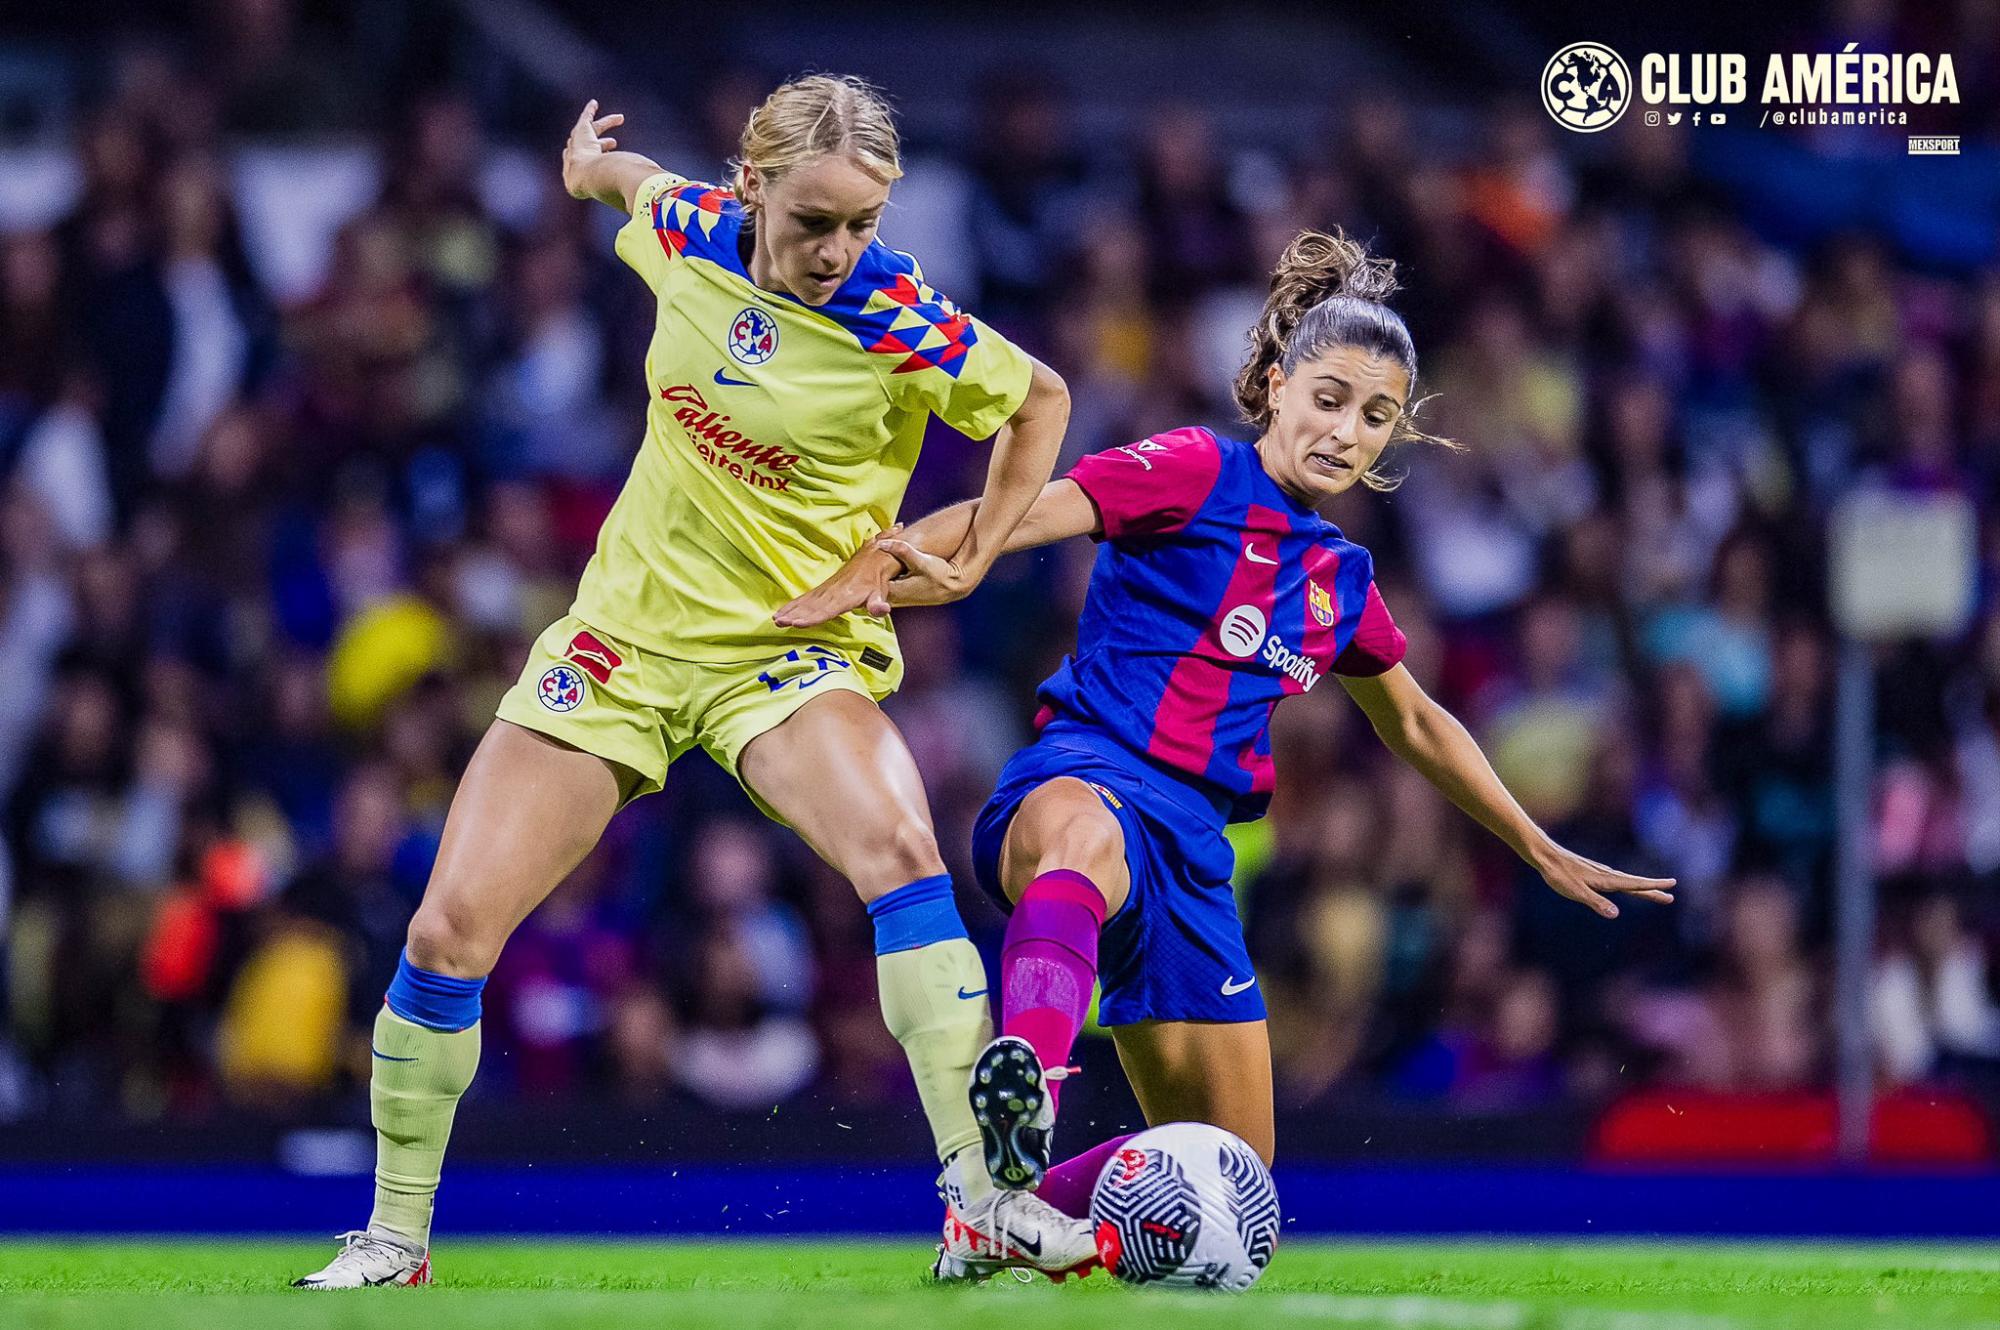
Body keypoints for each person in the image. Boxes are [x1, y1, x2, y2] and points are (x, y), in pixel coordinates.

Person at [295, 75, 1095, 1288]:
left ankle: (978, 1201)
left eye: (861, 224)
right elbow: (623, 181)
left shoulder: (898, 315)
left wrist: (974, 552)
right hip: (620, 644)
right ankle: (395, 1237)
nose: (838, 250)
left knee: (900, 850)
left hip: (785, 650)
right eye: (814, 219)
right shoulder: (689, 229)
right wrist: (581, 168)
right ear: (750, 188)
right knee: (445, 929)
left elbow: (1038, 401)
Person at [782, 228, 1676, 1242]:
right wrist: (881, 565)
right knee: (1084, 841)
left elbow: (1418, 724)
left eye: (1374, 417)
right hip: (1084, 773)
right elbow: (1017, 513)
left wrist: (1533, 840)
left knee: (1234, 1180)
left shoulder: (1341, 581)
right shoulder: (1193, 467)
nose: (1344, 431)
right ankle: (1023, 1073)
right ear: (1273, 383)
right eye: (1328, 399)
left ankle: (996, 1224)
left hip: (1195, 855)